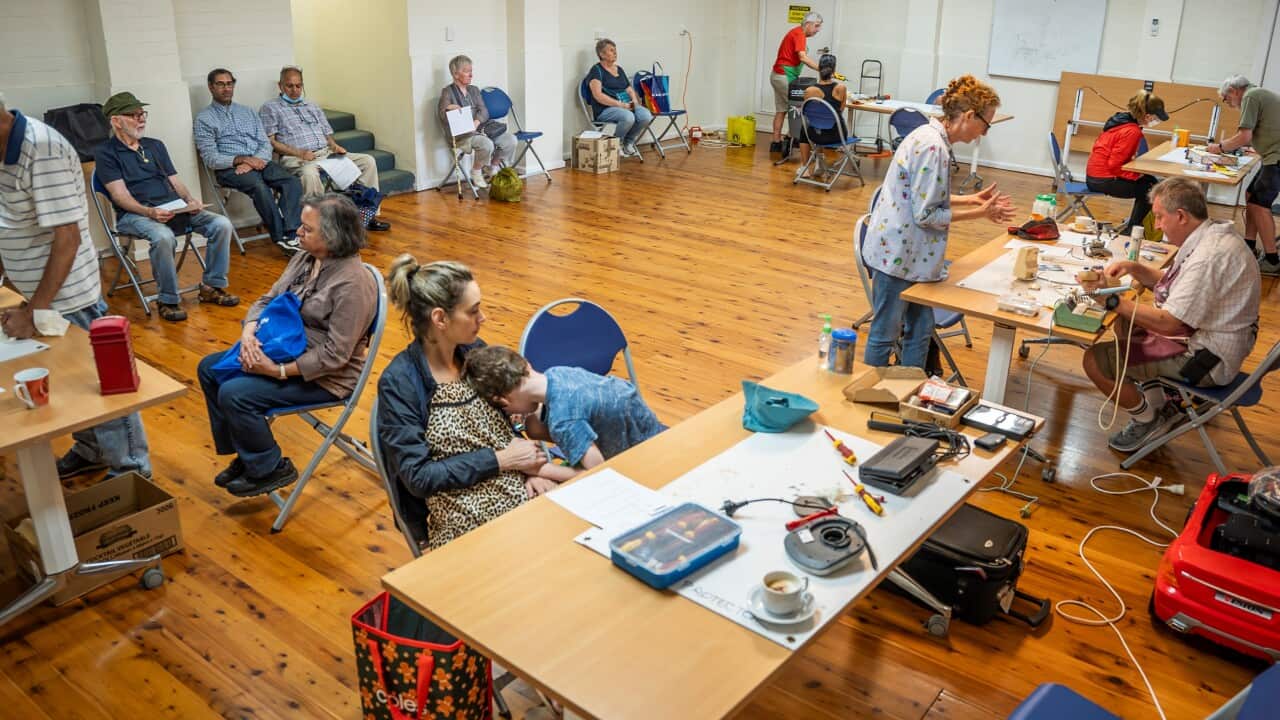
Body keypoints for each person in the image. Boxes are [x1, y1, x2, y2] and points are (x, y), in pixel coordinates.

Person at [0, 92, 151, 480]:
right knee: (65, 383)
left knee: (100, 384)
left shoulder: (42, 148)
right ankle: (93, 450)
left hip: (65, 297)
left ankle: (133, 470)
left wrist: (35, 311)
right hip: (32, 294)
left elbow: (67, 239)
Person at [196, 194, 377, 497]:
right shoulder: (306, 258)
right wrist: (249, 335)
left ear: (332, 237)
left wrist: (276, 371)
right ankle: (249, 452)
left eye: (307, 229)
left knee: (235, 394)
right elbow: (268, 299)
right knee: (210, 370)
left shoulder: (353, 284)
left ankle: (269, 467)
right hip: (281, 346)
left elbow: (335, 355)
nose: (298, 232)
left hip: (326, 377)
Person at [376, 257, 559, 550]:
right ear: (440, 319)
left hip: (518, 487)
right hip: (461, 516)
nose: (482, 318)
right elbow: (419, 477)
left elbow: (504, 421)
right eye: (473, 311)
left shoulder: (474, 352)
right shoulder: (400, 383)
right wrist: (501, 461)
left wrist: (528, 472)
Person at [1081, 178, 1260, 453]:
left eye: (1160, 218)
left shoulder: (1208, 257)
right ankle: (1159, 403)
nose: (1158, 225)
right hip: (1216, 343)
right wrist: (1135, 268)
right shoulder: (1213, 235)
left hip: (1206, 362)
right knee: (1128, 322)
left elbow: (1170, 323)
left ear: (1181, 216)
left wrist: (1112, 300)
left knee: (1094, 360)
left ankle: (1148, 419)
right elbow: (1181, 284)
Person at [862, 74, 1016, 369]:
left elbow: (923, 197)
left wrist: (971, 200)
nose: (984, 133)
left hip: (910, 257)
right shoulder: (933, 147)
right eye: (986, 125)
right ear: (970, 116)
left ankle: (908, 392)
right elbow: (926, 215)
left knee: (920, 332)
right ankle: (871, 396)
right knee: (885, 335)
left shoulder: (931, 139)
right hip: (898, 258)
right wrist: (981, 213)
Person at [95, 91, 239, 322]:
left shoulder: (155, 146)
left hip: (172, 208)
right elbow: (119, 196)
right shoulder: (106, 153)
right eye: (134, 114)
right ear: (116, 121)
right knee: (163, 237)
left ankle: (212, 286)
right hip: (135, 214)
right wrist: (149, 212)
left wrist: (190, 202)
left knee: (221, 224)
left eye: (142, 113)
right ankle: (168, 299)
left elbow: (175, 181)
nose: (141, 118)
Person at [462, 345, 667, 472]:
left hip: (641, 466)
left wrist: (541, 471)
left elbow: (598, 471)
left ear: (503, 401)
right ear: (526, 365)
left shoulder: (564, 421)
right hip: (658, 436)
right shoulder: (559, 372)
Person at [260, 66, 390, 232]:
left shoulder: (312, 106)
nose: (294, 90)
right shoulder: (270, 108)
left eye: (298, 86)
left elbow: (327, 135)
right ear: (280, 86)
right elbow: (271, 141)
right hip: (297, 158)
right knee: (309, 173)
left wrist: (335, 146)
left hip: (326, 154)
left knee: (367, 161)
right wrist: (299, 153)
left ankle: (367, 215)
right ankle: (319, 225)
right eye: (289, 86)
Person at [194, 67, 304, 256]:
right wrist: (242, 160)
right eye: (220, 84)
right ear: (211, 87)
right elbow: (211, 158)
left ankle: (291, 233)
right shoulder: (204, 119)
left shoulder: (248, 112)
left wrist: (255, 161)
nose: (226, 88)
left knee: (292, 182)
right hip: (229, 169)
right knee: (260, 187)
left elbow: (264, 143)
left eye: (229, 84)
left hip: (260, 161)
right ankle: (280, 238)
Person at [1212, 75, 1280, 275]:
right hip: (1272, 155)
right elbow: (1259, 132)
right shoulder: (1258, 93)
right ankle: (1249, 245)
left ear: (1234, 90)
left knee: (1259, 205)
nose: (1229, 103)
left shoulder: (1250, 96)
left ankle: (1272, 260)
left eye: (1226, 99)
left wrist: (1220, 147)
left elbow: (1244, 135)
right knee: (1251, 195)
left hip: (1276, 157)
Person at [1085, 90, 1168, 232]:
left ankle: (1134, 226)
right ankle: (1132, 230)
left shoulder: (1120, 121)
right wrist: (1135, 175)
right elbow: (1114, 165)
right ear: (1147, 116)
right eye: (1156, 118)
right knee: (1152, 189)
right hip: (1103, 180)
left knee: (1150, 181)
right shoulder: (1132, 131)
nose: (1156, 121)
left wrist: (1137, 175)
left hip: (1094, 176)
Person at [436, 55, 516, 190]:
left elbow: (484, 111)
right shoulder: (447, 92)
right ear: (456, 74)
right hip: (463, 136)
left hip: (481, 129)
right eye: (466, 71)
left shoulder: (474, 90)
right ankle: (476, 171)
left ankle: (493, 167)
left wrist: (477, 121)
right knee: (486, 144)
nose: (471, 74)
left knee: (510, 140)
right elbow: (442, 116)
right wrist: (449, 109)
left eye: (471, 70)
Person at [586, 39, 653, 158]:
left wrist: (635, 101)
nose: (615, 53)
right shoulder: (596, 71)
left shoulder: (619, 69)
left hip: (626, 105)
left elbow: (628, 88)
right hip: (605, 109)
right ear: (601, 54)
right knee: (628, 117)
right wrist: (620, 105)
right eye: (611, 50)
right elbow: (598, 95)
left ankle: (629, 142)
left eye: (615, 50)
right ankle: (617, 144)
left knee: (645, 115)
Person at [769, 12, 823, 155]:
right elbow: (803, 57)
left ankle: (776, 143)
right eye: (816, 26)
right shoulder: (799, 35)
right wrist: (821, 69)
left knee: (781, 110)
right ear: (807, 24)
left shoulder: (796, 33)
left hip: (777, 75)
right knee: (799, 109)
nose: (818, 30)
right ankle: (791, 138)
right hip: (784, 76)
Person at [796, 53, 848, 177]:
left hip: (815, 136)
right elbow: (841, 110)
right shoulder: (841, 88)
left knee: (807, 128)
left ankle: (805, 168)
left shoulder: (809, 91)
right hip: (837, 135)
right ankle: (820, 163)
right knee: (825, 124)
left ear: (819, 69)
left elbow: (806, 113)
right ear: (833, 70)